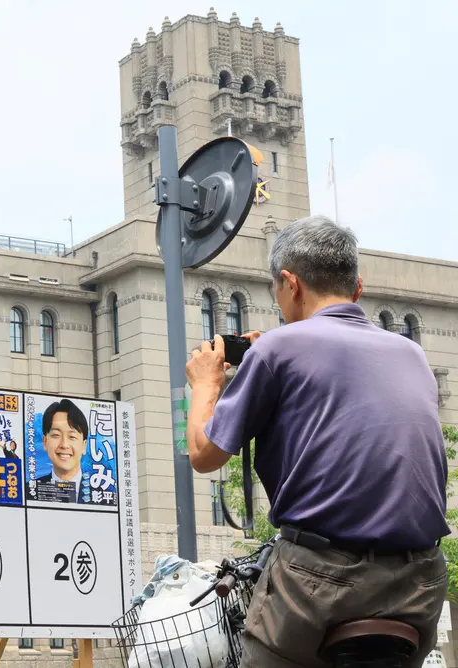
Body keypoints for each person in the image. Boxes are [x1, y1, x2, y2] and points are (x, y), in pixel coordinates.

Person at [185, 214, 449, 667]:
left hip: (318, 584)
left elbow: (204, 455)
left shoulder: (277, 350)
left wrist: (208, 385)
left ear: (290, 283)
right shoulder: (411, 353)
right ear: (358, 288)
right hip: (419, 585)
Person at [34, 399, 88, 503]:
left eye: (72, 436)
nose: (64, 445)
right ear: (45, 442)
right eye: (56, 435)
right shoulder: (30, 491)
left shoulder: (103, 494)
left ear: (83, 445)